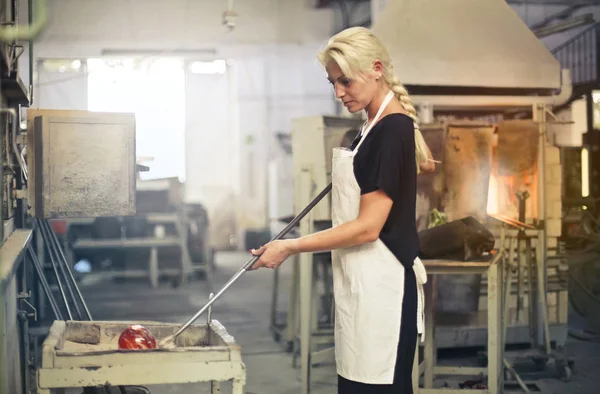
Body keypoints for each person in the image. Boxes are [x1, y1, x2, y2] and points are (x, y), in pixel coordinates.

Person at [250, 26, 436, 394]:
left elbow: (368, 228)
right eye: (332, 83)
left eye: (346, 81)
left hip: (384, 290)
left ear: (377, 69)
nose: (338, 93)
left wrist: (290, 246)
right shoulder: (372, 127)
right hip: (361, 284)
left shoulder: (392, 129)